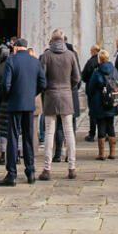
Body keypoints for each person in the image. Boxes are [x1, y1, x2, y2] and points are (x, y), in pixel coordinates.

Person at [0, 35, 42, 186]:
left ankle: (12, 174)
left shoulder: (11, 60)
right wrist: (31, 94)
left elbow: (6, 84)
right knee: (28, 138)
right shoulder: (35, 61)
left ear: (15, 47)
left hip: (14, 104)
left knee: (13, 138)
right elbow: (43, 82)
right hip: (29, 104)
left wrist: (8, 97)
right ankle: (31, 171)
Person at [39, 29, 81, 180]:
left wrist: (46, 89)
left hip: (50, 95)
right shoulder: (70, 55)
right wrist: (67, 87)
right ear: (63, 40)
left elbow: (42, 78)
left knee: (49, 132)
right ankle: (72, 167)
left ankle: (47, 168)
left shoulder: (46, 56)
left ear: (51, 40)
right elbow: (77, 77)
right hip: (66, 95)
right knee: (69, 132)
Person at [86, 45, 118, 160]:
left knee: (101, 125)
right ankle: (113, 152)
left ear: (100, 59)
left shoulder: (96, 72)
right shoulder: (114, 70)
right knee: (110, 125)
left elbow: (90, 88)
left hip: (99, 102)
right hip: (111, 101)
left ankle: (101, 154)